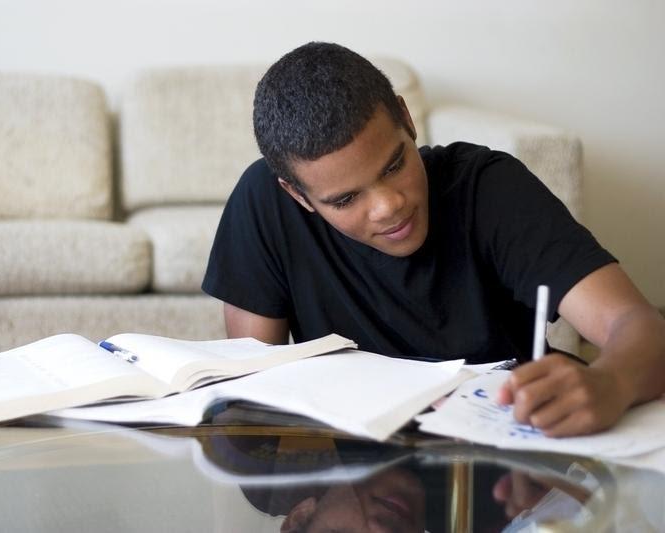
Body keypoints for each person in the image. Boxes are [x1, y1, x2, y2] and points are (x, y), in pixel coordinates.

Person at [201, 42, 665, 437]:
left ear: (406, 118)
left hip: (502, 462)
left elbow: (640, 326)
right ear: (297, 195)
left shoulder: (489, 188)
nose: (388, 206)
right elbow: (252, 396)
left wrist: (612, 382)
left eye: (394, 165)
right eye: (345, 199)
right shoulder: (264, 202)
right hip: (357, 475)